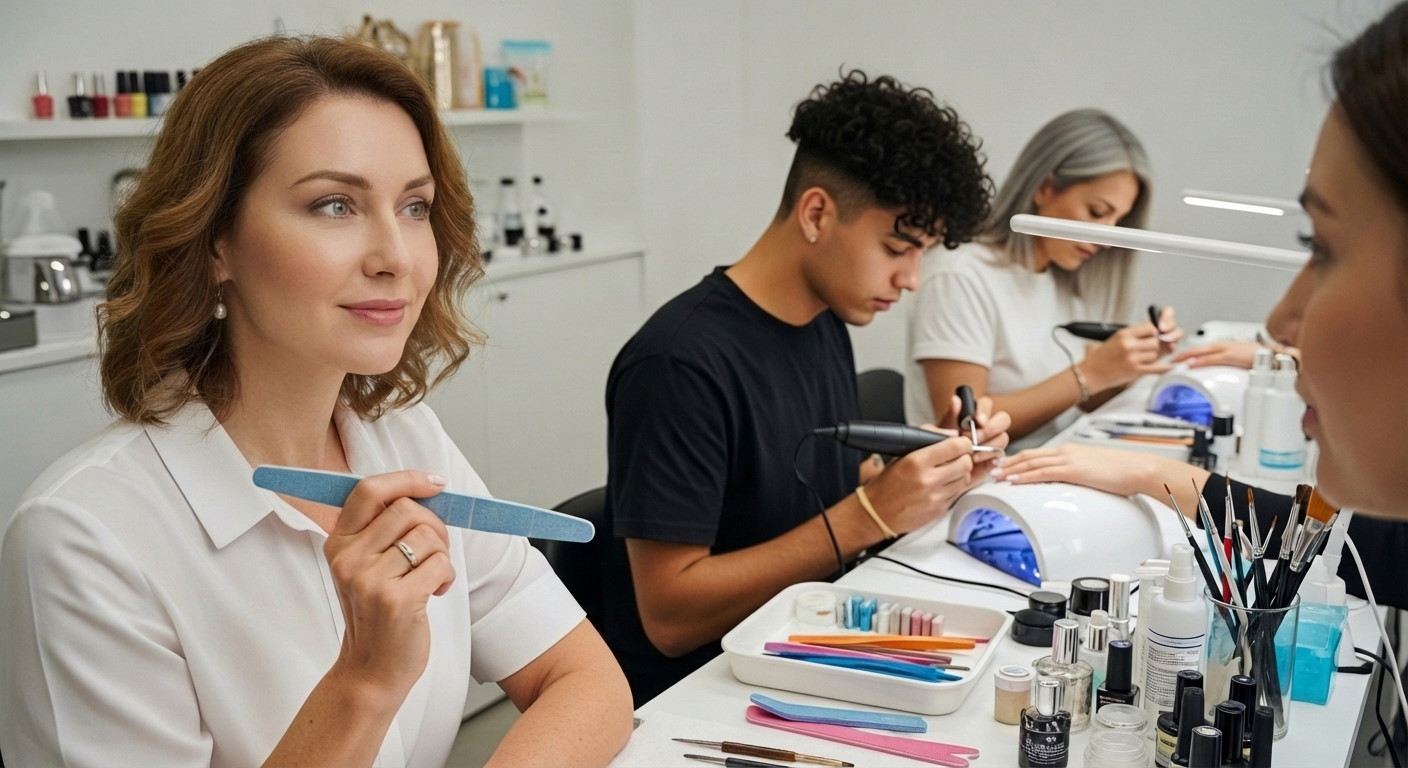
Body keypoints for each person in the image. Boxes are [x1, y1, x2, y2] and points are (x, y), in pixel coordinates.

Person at [0, 36, 631, 767]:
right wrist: (364, 682)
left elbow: (584, 678)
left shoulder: (405, 441)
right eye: (335, 205)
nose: (396, 255)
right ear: (215, 242)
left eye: (415, 206)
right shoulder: (85, 539)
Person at [602, 70, 1011, 706]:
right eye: (898, 247)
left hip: (805, 646)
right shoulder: (677, 364)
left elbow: (831, 483)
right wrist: (869, 515)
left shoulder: (823, 322)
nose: (911, 280)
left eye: (924, 253)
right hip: (704, 696)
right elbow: (671, 617)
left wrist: (933, 469)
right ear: (817, 213)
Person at [905, 109, 1183, 451]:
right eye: (1097, 212)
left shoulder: (1060, 276)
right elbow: (968, 428)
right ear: (1045, 187)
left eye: (1118, 220)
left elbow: (1079, 402)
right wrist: (1090, 373)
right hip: (982, 490)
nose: (1106, 238)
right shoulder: (959, 274)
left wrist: (1131, 361)